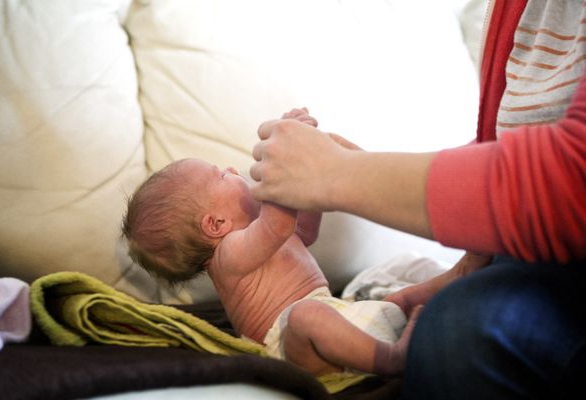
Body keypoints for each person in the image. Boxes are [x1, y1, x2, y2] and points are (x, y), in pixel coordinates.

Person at [249, 1, 586, 399]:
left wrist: (336, 173)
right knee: (455, 326)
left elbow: (570, 183)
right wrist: (474, 262)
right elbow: (512, 139)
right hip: (535, 258)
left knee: (459, 332)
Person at [122, 108, 422, 378]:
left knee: (403, 272)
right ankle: (390, 360)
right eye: (221, 176)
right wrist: (281, 162)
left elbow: (303, 232)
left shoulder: (262, 235)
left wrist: (310, 178)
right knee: (306, 315)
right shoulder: (229, 255)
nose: (230, 169)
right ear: (216, 225)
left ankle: (424, 303)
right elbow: (279, 224)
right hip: (290, 345)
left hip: (331, 318)